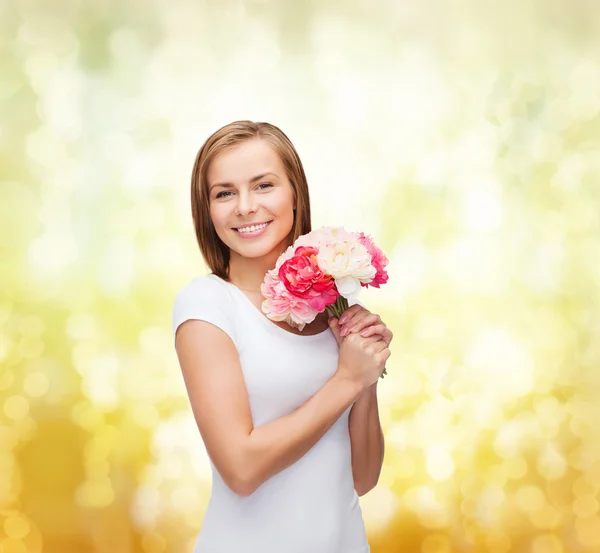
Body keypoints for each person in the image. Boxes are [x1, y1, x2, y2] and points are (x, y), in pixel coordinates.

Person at [172, 120, 392, 553]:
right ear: (208, 210)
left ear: (295, 194)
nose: (245, 207)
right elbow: (241, 468)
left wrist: (365, 375)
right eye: (225, 193)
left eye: (263, 185)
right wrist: (346, 380)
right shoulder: (207, 305)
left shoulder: (334, 309)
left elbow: (362, 478)